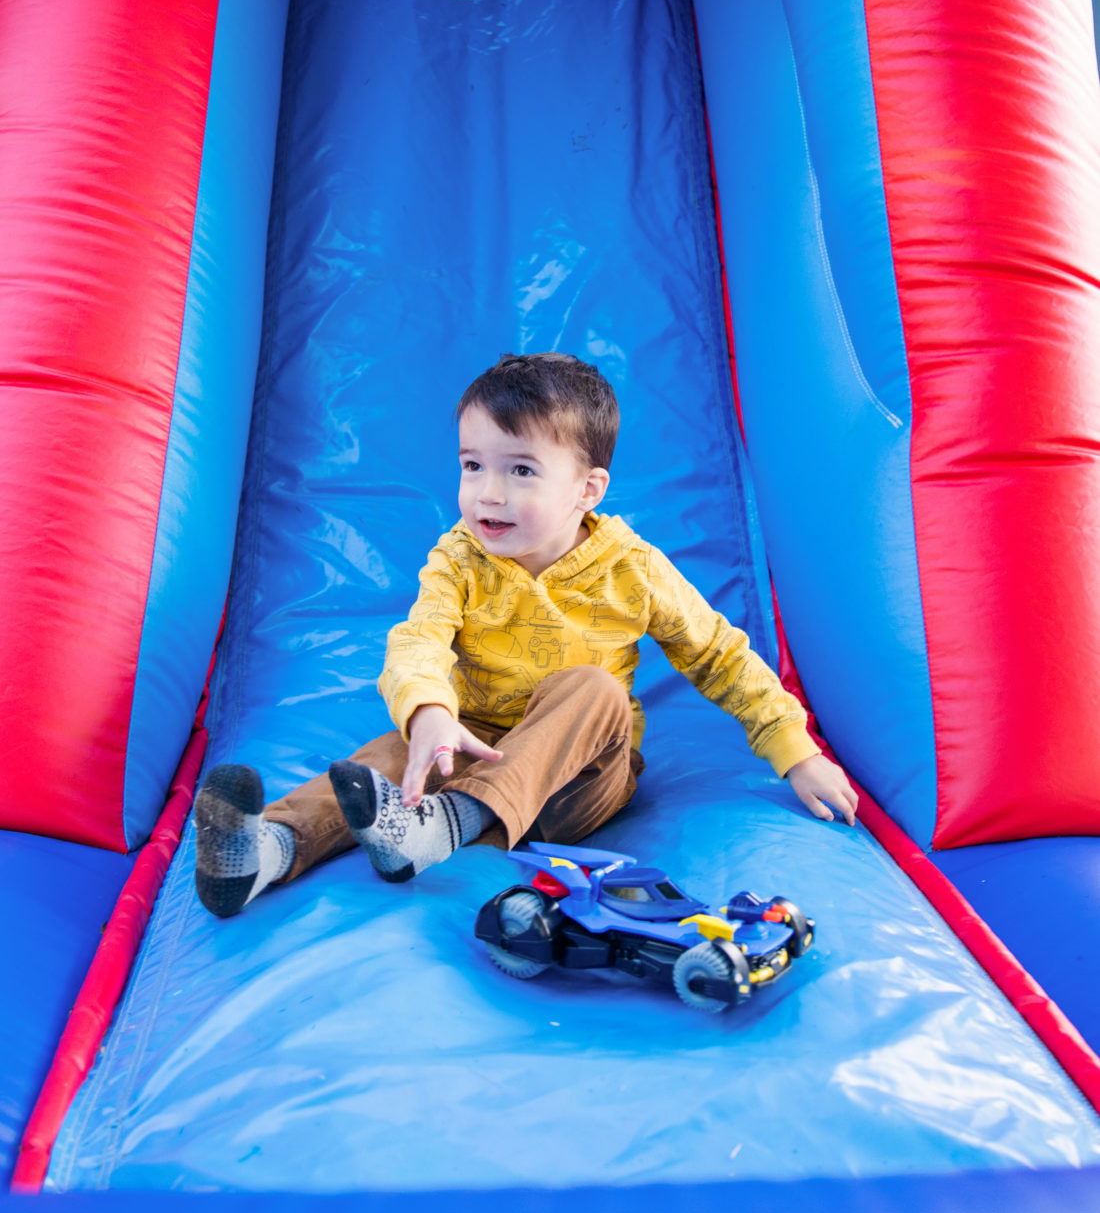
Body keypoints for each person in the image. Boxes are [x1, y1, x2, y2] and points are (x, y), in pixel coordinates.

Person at [195, 353, 858, 917]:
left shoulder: (633, 570)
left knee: (593, 688)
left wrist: (794, 751)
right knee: (392, 755)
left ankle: (444, 828)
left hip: (577, 784)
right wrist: (430, 711)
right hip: (478, 748)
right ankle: (264, 852)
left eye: (521, 471)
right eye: (473, 465)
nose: (488, 493)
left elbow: (719, 655)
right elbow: (419, 638)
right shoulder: (459, 558)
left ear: (587, 490)